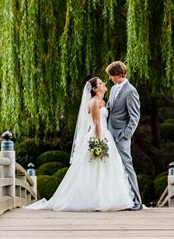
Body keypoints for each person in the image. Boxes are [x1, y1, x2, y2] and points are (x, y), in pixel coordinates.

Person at [25, 77, 134, 211]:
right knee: (94, 168)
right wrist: (99, 142)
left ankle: (106, 198)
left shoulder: (103, 101)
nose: (104, 84)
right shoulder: (94, 102)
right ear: (94, 89)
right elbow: (96, 123)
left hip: (106, 136)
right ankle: (92, 200)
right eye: (100, 83)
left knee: (106, 169)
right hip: (98, 137)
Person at [106, 61, 142, 211]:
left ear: (118, 74)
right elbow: (111, 108)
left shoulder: (131, 91)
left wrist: (125, 135)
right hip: (108, 133)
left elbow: (134, 117)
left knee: (127, 166)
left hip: (121, 136)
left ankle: (137, 201)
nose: (110, 79)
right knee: (112, 167)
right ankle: (120, 199)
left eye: (111, 75)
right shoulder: (114, 89)